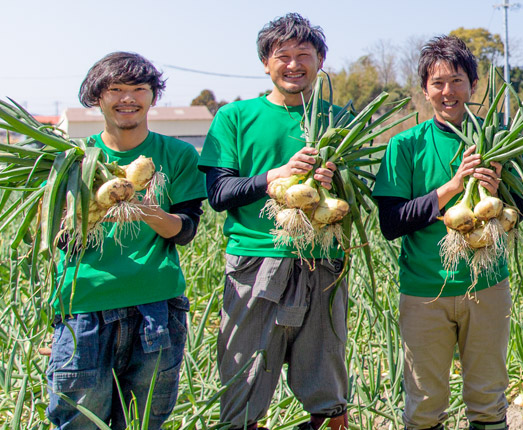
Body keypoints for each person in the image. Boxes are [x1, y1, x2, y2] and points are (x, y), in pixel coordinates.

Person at [198, 13, 348, 430]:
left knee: (328, 389)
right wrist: (275, 178)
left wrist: (332, 183)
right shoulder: (235, 117)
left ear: (320, 61)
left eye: (305, 55)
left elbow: (357, 199)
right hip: (254, 263)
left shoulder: (341, 120)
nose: (294, 64)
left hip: (323, 263)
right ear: (266, 63)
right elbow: (218, 193)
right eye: (283, 56)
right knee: (242, 384)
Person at [373, 35, 523, 430]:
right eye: (438, 82)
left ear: (472, 85)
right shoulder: (405, 145)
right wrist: (454, 187)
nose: (448, 91)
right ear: (425, 90)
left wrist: (497, 193)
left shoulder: (497, 141)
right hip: (425, 290)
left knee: (488, 401)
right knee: (424, 406)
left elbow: (519, 211)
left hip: (487, 287)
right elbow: (391, 223)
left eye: (457, 80)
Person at [45, 52, 206, 429]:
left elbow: (185, 230)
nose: (127, 98)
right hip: (84, 307)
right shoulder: (72, 159)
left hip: (156, 308)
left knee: (143, 422)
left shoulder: (177, 155)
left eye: (138, 89)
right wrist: (92, 211)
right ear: (96, 97)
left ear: (153, 96)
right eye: (115, 89)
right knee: (79, 422)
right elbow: (56, 236)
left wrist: (143, 208)